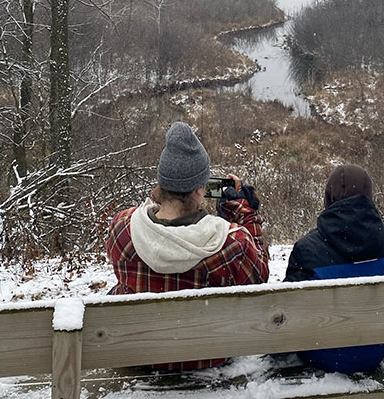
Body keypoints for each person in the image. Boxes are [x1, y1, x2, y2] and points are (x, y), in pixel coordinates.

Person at [105, 121, 269, 371]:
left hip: (141, 354)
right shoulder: (230, 242)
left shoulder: (123, 228)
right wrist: (243, 212)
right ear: (199, 190)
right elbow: (259, 277)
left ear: (162, 183)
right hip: (207, 358)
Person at [285, 164, 384, 373]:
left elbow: (286, 316)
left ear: (328, 198)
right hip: (376, 349)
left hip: (321, 353)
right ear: (369, 195)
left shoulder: (308, 248)